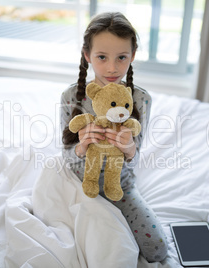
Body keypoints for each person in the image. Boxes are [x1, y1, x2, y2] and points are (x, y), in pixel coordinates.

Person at [60, 12, 168, 263]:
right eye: (101, 57)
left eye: (122, 57)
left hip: (121, 186)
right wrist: (82, 146)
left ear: (133, 55)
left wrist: (129, 149)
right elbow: (65, 155)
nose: (112, 68)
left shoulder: (140, 100)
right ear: (87, 56)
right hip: (78, 185)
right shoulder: (70, 97)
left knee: (157, 249)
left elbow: (135, 158)